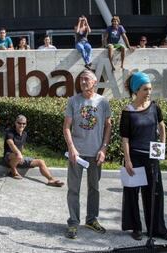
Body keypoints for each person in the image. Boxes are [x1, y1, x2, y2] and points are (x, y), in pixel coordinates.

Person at [119, 72, 167, 242]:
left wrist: (160, 149)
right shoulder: (127, 112)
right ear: (136, 90)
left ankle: (157, 229)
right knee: (132, 194)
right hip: (134, 158)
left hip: (152, 158)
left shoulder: (155, 107)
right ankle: (136, 228)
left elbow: (162, 127)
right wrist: (127, 160)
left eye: (150, 88)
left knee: (155, 194)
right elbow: (125, 138)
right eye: (145, 89)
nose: (149, 92)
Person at [63, 69, 112, 239]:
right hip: (77, 153)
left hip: (95, 152)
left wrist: (104, 148)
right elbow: (66, 127)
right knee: (73, 189)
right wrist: (71, 147)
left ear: (94, 82)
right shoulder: (73, 101)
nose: (83, 82)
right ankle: (73, 223)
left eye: (86, 79)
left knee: (94, 188)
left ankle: (91, 219)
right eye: (81, 79)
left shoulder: (103, 102)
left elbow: (108, 126)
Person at [4, 115, 64, 186]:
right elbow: (11, 144)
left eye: (24, 123)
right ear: (15, 123)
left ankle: (51, 179)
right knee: (17, 156)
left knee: (40, 162)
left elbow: (21, 146)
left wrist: (21, 155)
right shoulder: (10, 132)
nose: (21, 125)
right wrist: (18, 153)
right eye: (19, 123)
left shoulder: (24, 134)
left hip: (19, 158)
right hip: (9, 157)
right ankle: (13, 171)